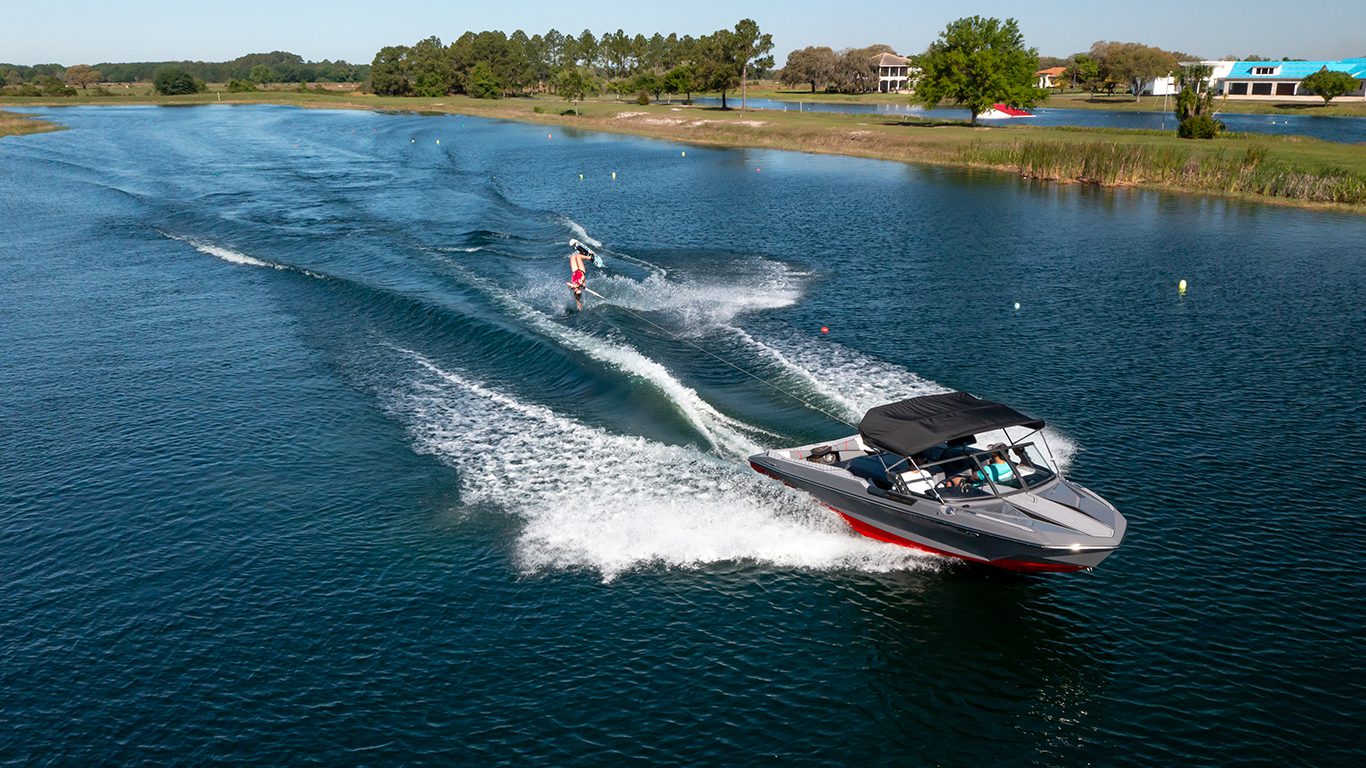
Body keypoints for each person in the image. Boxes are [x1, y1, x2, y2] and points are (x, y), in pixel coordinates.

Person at [566, 244, 589, 311]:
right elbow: (583, 277)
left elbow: (567, 283)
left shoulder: (572, 287)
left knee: (572, 257)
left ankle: (580, 252)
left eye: (576, 290)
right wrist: (581, 282)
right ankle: (589, 257)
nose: (577, 289)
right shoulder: (582, 285)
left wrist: (574, 285)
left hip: (575, 271)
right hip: (581, 270)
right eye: (579, 291)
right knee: (578, 257)